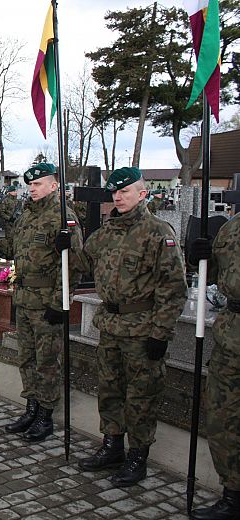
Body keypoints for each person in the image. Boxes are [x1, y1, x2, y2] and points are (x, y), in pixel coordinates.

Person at [76, 166, 186, 487]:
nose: (118, 197)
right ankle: (112, 446)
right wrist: (65, 242)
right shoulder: (107, 232)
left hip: (142, 329)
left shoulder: (158, 232)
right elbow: (83, 262)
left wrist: (161, 333)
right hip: (110, 325)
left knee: (140, 395)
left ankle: (137, 456)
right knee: (109, 389)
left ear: (142, 193)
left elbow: (173, 288)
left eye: (125, 191)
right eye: (115, 192)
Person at [0, 163, 84, 443]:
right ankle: (31, 408)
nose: (32, 190)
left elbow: (74, 264)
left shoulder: (62, 217)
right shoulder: (26, 216)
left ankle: (46, 415)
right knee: (26, 358)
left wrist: (60, 301)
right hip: (24, 299)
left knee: (47, 361)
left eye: (38, 185)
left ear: (53, 186)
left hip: (47, 303)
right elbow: (17, 250)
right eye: (30, 185)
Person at [188, 217, 240, 519]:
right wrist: (201, 258)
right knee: (223, 419)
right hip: (230, 336)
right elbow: (216, 276)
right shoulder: (232, 227)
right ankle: (232, 495)